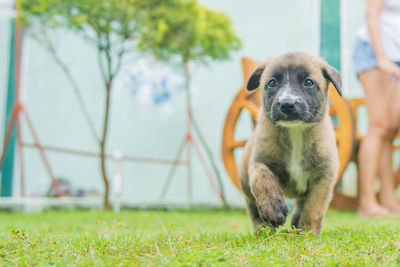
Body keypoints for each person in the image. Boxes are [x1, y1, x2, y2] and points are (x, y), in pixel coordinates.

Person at [354, 0, 400, 216]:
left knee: (391, 129)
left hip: (396, 56)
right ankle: (366, 202)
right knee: (379, 125)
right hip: (374, 52)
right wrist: (382, 57)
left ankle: (389, 200)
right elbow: (371, 16)